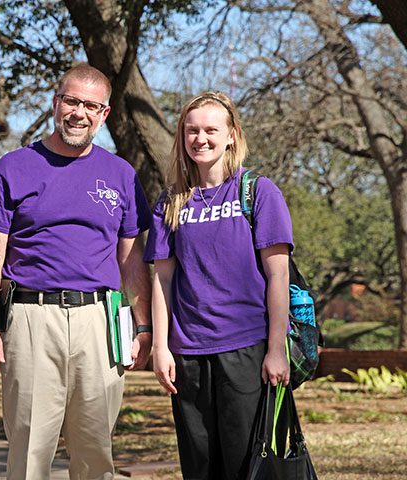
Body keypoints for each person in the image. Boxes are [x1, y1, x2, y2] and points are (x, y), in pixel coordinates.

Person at [0, 63, 153, 480]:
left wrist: (143, 327)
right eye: (71, 101)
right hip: (32, 318)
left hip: (100, 320)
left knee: (95, 451)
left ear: (104, 114)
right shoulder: (14, 167)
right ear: (56, 103)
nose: (78, 113)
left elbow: (130, 258)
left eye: (91, 105)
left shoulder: (121, 174)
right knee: (31, 450)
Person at [145, 91, 292, 479]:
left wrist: (276, 350)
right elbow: (161, 279)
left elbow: (279, 275)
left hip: (245, 351)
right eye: (191, 130)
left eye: (211, 129)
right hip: (188, 355)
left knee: (248, 466)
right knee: (200, 468)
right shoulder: (170, 202)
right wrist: (160, 347)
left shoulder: (258, 192)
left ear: (231, 135)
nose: (201, 138)